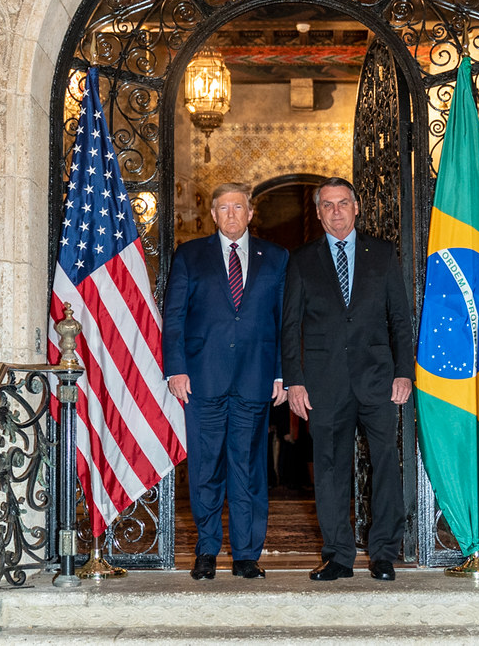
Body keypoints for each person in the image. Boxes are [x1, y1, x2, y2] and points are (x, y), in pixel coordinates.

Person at [281, 177, 414, 582]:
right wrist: (295, 382)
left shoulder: (383, 254)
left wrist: (404, 372)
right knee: (329, 469)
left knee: (386, 466)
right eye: (327, 205)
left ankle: (383, 554)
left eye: (343, 203)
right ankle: (337, 555)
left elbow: (400, 321)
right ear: (319, 213)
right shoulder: (302, 260)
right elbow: (290, 327)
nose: (336, 211)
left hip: (378, 381)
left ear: (356, 208)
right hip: (324, 385)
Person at [162, 182, 288, 580]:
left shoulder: (277, 258)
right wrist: (175, 368)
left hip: (255, 377)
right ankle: (206, 549)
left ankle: (247, 554)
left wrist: (283, 374)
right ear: (212, 215)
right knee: (206, 468)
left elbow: (285, 321)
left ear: (251, 213)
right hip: (202, 378)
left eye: (238, 207)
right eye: (223, 208)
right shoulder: (190, 255)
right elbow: (174, 317)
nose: (231, 214)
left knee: (249, 469)